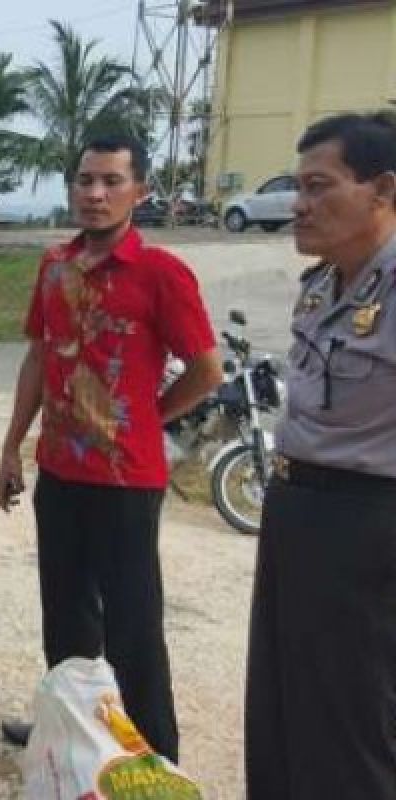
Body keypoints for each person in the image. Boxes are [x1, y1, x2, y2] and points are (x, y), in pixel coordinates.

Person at [0, 135, 222, 762]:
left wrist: (151, 417)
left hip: (128, 482)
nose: (96, 194)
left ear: (139, 192)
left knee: (134, 627)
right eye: (86, 180)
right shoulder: (54, 267)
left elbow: (206, 369)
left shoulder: (161, 274)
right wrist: (13, 447)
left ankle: (153, 757)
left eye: (112, 182)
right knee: (65, 618)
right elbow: (38, 359)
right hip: (61, 473)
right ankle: (70, 733)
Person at [245, 112, 396, 800]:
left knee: (351, 720)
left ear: (382, 190)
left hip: (365, 527)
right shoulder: (321, 286)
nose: (299, 205)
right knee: (281, 703)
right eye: (297, 186)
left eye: (318, 186)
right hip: (297, 510)